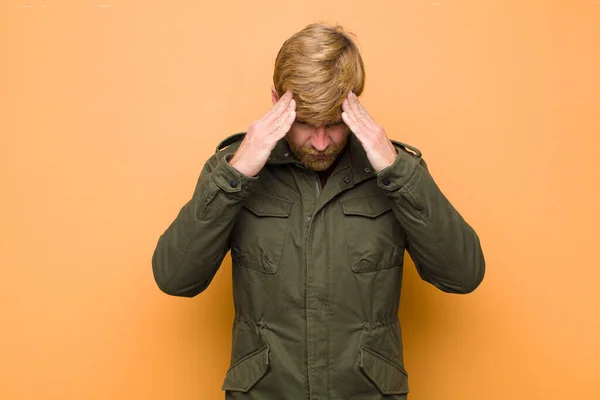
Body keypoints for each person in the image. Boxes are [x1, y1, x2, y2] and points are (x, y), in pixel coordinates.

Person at [152, 23, 485, 400]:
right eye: (306, 124)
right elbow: (175, 278)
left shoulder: (396, 171)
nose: (321, 142)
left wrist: (397, 172)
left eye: (335, 123)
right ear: (276, 99)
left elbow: (463, 275)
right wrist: (237, 173)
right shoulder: (233, 171)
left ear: (355, 103)